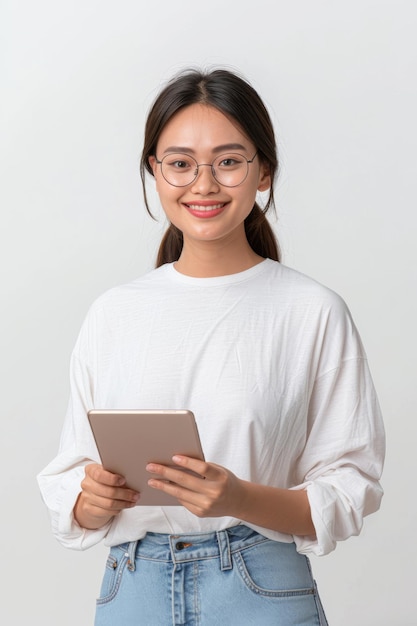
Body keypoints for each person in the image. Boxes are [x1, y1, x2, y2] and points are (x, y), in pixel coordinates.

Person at [37, 67, 385, 625]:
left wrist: (239, 498)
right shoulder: (113, 313)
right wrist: (89, 500)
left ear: (263, 171)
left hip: (259, 585)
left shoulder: (311, 310)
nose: (203, 184)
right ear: (155, 171)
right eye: (180, 163)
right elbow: (74, 469)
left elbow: (350, 485)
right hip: (132, 590)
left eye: (228, 161)